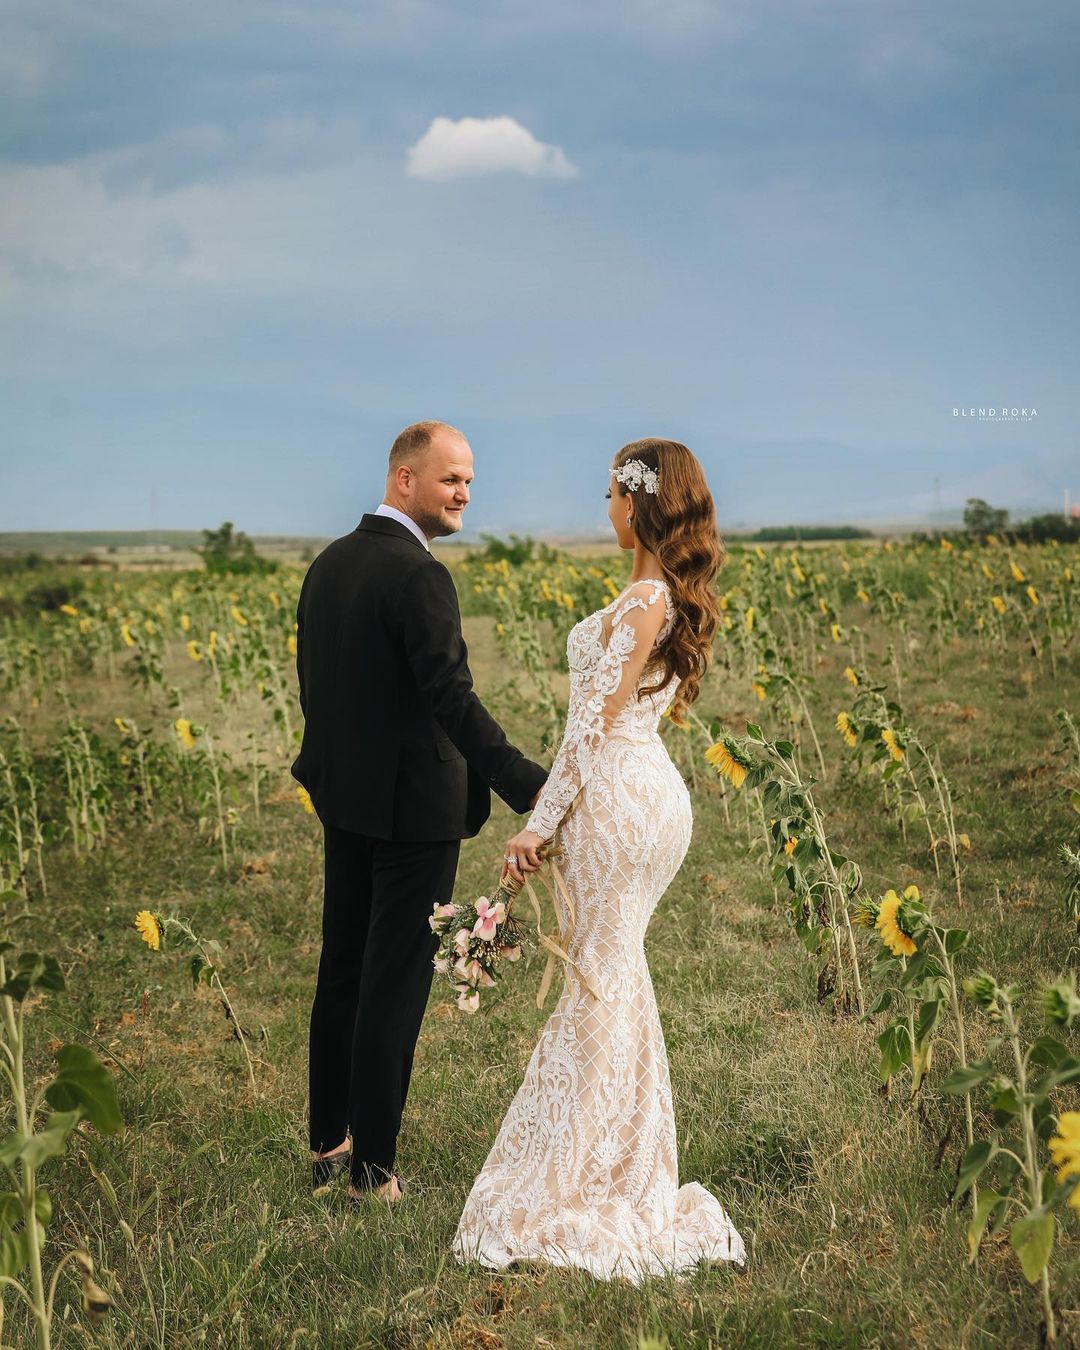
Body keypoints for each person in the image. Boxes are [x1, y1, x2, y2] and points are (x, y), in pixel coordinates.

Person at [452, 438, 747, 1281]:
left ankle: (601, 1172)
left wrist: (536, 827)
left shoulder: (645, 599)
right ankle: (619, 1153)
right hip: (640, 791)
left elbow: (586, 731)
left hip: (616, 799)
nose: (605, 508)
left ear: (641, 502)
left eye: (614, 494)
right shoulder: (650, 596)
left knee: (600, 974)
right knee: (613, 971)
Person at [292, 420, 547, 1205]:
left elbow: (320, 687)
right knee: (392, 984)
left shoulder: (329, 564)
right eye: (450, 479)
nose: (464, 493)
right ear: (405, 479)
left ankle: (328, 1143)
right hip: (411, 813)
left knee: (343, 969)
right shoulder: (419, 576)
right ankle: (372, 1174)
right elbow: (452, 701)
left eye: (469, 480)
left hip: (348, 800)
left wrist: (331, 776)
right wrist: (530, 785)